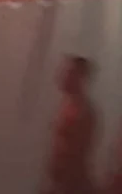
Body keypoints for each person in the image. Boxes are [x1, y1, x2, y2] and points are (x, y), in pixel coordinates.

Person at [45, 55, 97, 194]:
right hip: (61, 182)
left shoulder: (83, 112)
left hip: (72, 185)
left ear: (79, 78)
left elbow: (77, 153)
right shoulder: (67, 106)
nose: (62, 76)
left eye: (68, 73)